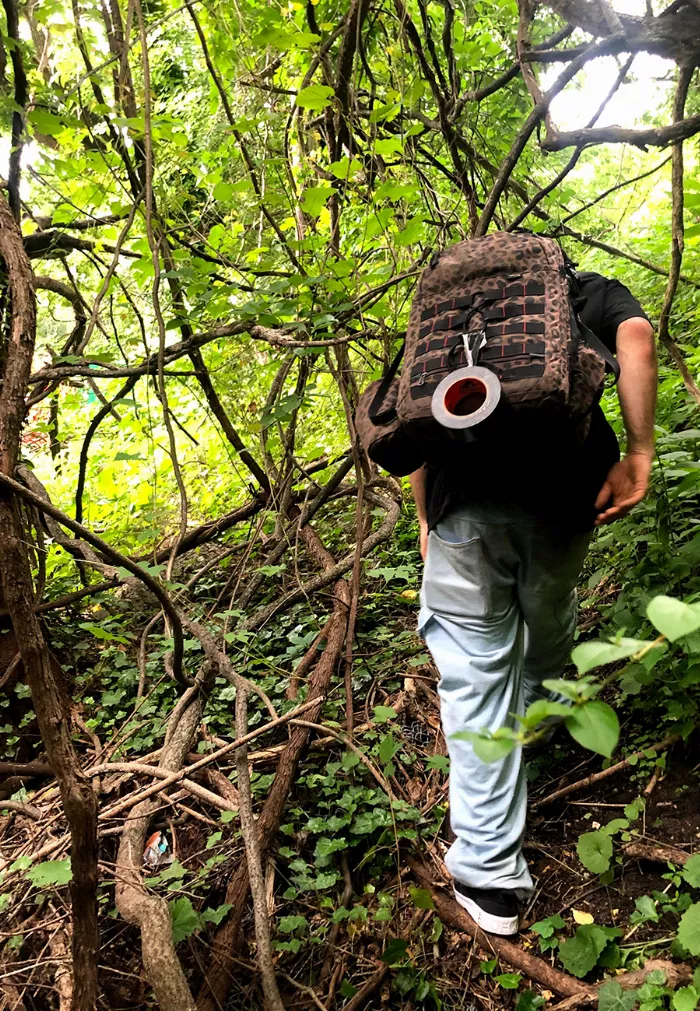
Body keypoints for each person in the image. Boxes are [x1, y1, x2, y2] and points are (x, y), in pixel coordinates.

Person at [410, 270, 656, 936]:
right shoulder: (588, 292)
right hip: (564, 497)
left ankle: (489, 877)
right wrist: (639, 449)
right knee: (549, 614)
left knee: (473, 671)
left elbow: (411, 416)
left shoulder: (448, 316)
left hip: (464, 506)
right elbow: (636, 339)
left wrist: (426, 520)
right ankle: (541, 717)